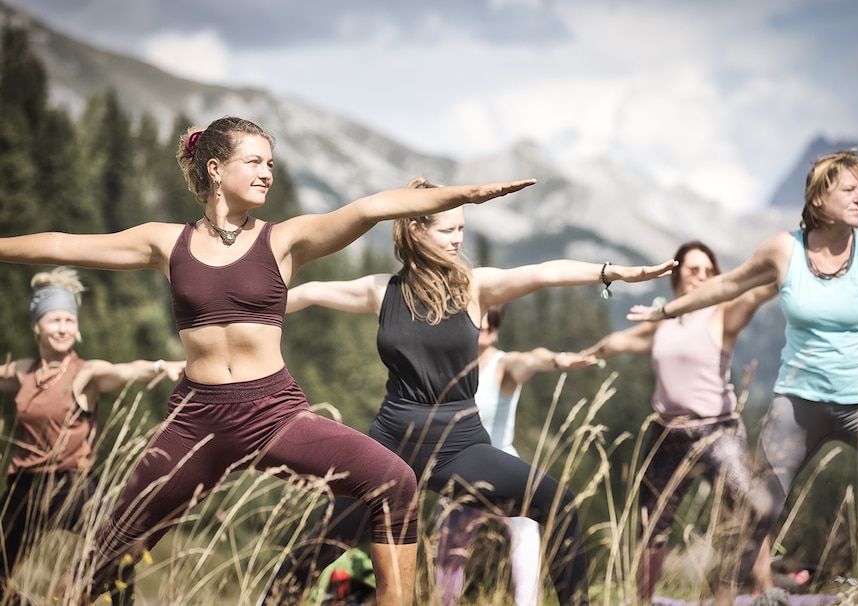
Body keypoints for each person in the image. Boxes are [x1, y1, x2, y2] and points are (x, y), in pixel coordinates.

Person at [0, 116, 538, 606]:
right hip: (195, 423)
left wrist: (463, 194)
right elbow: (65, 243)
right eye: (254, 161)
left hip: (273, 415)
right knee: (108, 551)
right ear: (215, 169)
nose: (266, 173)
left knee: (394, 481)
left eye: (271, 164)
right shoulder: (167, 244)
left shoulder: (284, 241)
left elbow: (369, 208)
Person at [260, 177, 678, 606]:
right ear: (416, 229)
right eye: (448, 229)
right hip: (389, 443)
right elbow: (308, 293)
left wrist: (611, 272)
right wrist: (238, 312)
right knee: (325, 538)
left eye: (462, 229)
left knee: (557, 503)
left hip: (458, 445)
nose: (458, 238)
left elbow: (543, 273)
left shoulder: (473, 288)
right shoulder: (382, 290)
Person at [627, 149, 858, 606]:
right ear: (819, 197)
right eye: (850, 189)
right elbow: (728, 283)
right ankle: (725, 600)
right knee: (756, 510)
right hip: (799, 404)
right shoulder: (786, 249)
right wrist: (667, 309)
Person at [582, 241, 778, 604]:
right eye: (693, 270)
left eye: (708, 271)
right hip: (666, 434)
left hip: (717, 430)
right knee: (651, 525)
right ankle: (642, 600)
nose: (701, 277)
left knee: (748, 509)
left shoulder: (722, 314)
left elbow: (755, 295)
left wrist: (786, 271)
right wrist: (592, 354)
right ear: (676, 279)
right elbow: (622, 340)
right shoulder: (664, 321)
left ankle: (766, 594)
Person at [0, 266, 185, 604]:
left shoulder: (86, 374)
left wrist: (160, 366)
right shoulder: (22, 372)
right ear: (37, 325)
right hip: (24, 490)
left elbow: (124, 371)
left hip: (73, 488)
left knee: (118, 550)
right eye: (55, 320)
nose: (63, 328)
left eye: (69, 321)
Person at [434, 303, 597, 606]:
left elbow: (531, 359)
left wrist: (557, 360)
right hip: (461, 469)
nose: (485, 323)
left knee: (526, 533)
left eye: (491, 317)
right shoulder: (449, 367)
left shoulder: (504, 365)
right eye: (478, 315)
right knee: (446, 557)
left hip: (502, 468)